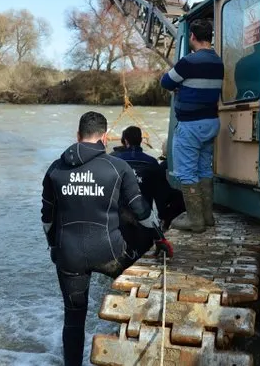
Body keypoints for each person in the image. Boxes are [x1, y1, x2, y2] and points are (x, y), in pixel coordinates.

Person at [41, 111, 173, 366]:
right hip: (111, 252)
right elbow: (141, 211)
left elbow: (47, 219)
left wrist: (53, 245)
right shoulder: (117, 166)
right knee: (137, 289)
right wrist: (160, 239)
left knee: (73, 318)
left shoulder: (55, 168)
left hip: (70, 255)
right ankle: (133, 346)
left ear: (78, 136)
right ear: (103, 137)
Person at [160, 18, 224, 232]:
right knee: (205, 168)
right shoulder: (218, 61)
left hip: (191, 125)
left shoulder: (188, 62)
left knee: (187, 172)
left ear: (193, 37)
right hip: (211, 123)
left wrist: (181, 87)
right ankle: (207, 216)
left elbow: (166, 82)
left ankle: (194, 220)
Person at [111, 126, 183, 239]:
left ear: (125, 141)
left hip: (119, 218)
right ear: (141, 140)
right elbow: (161, 193)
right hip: (144, 217)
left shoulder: (115, 161)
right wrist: (162, 216)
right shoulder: (152, 162)